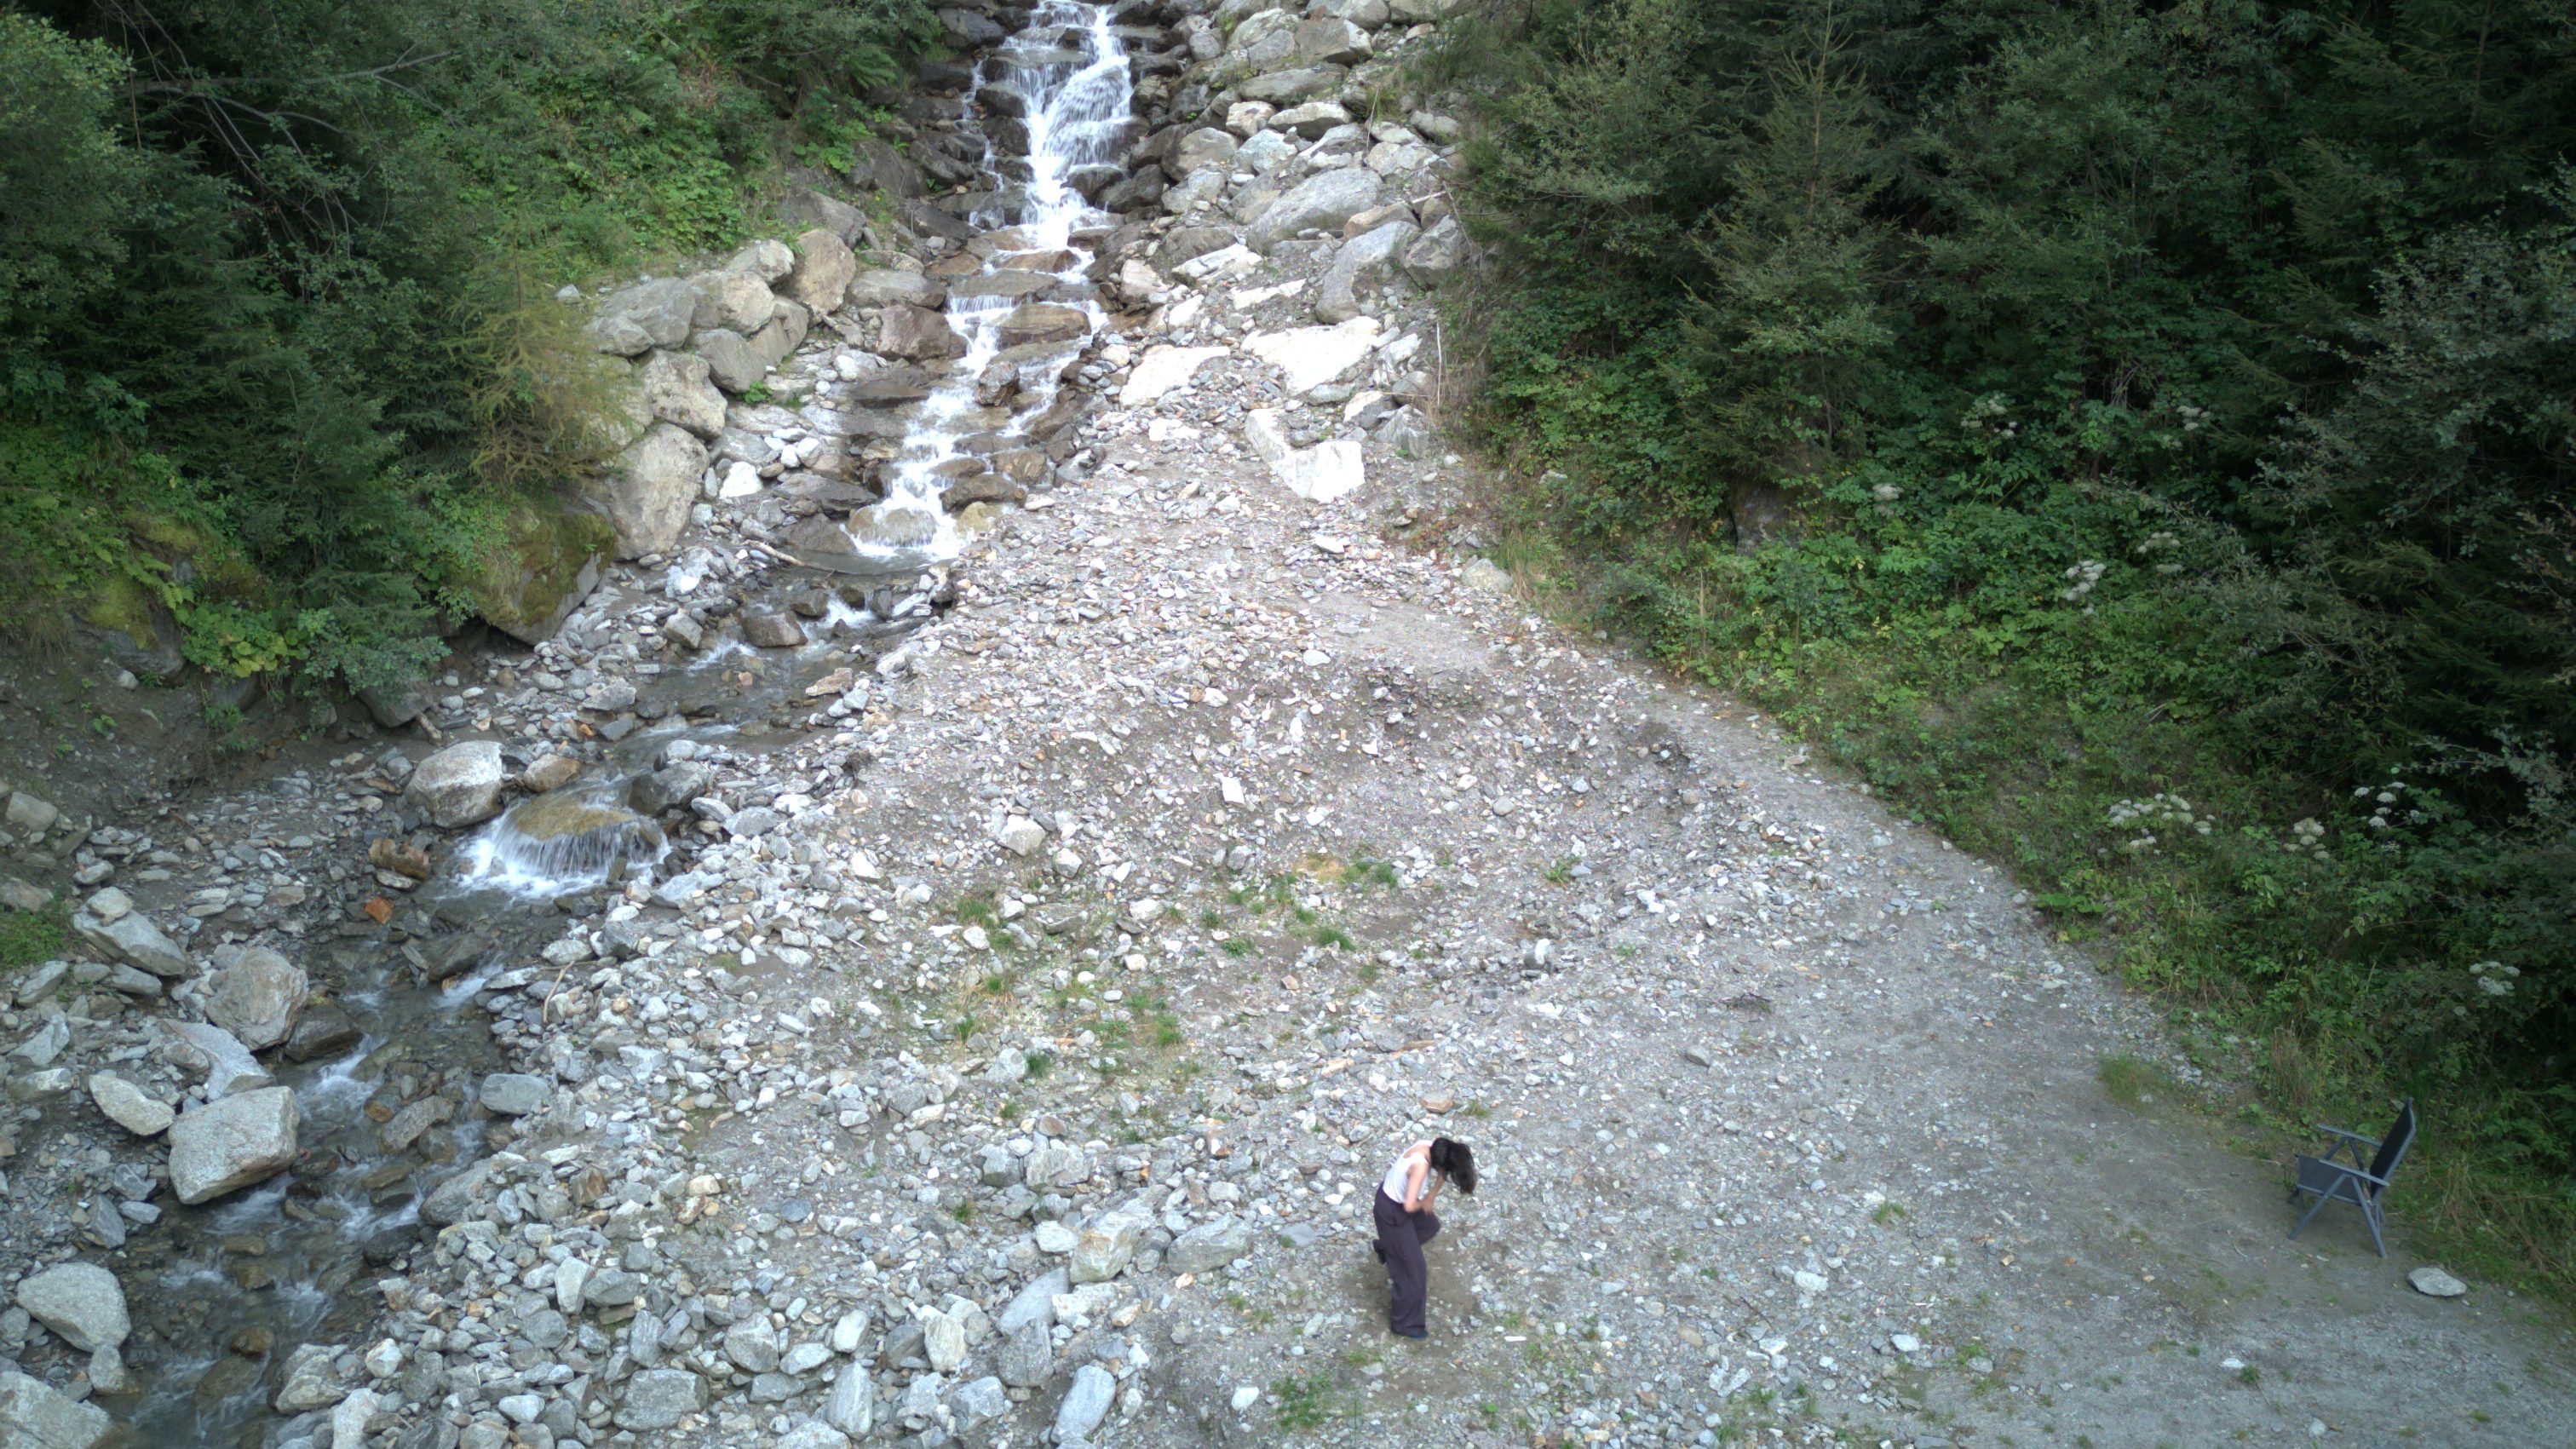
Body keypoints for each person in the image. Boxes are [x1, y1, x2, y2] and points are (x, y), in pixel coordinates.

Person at [1371, 1136, 1476, 1339]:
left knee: (1429, 1225)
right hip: (1392, 1212)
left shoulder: (1430, 1145)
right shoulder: (1420, 1167)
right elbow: (1410, 1206)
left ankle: (1388, 1248)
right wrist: (1426, 1201)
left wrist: (1433, 1193)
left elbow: (1441, 1174)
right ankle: (1404, 1325)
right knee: (1414, 1272)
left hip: (1392, 1201)